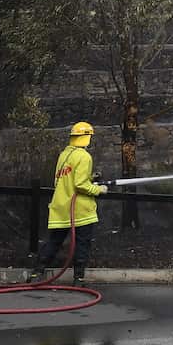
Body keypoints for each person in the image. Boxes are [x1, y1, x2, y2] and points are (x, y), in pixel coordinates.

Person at [28, 122, 108, 286]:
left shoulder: (64, 154)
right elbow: (80, 185)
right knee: (82, 243)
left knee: (54, 241)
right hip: (80, 210)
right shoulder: (84, 156)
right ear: (87, 137)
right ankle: (79, 279)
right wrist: (99, 189)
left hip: (61, 207)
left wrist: (90, 178)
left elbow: (64, 179)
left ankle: (37, 273)